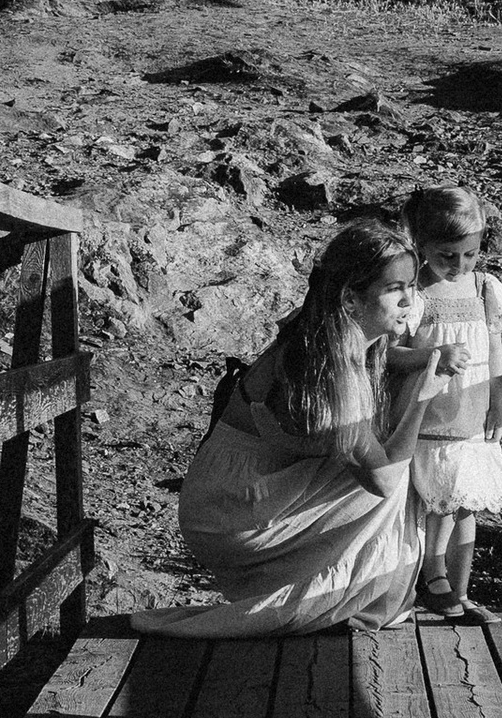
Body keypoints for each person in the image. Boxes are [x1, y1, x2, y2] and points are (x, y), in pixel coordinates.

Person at [159, 216, 460, 634]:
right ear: (351, 300)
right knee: (394, 476)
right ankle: (351, 595)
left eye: (411, 285)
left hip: (244, 492)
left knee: (387, 452)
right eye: (395, 289)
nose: (410, 300)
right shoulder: (331, 368)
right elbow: (385, 478)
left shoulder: (333, 334)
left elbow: (387, 358)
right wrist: (422, 398)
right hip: (234, 509)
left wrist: (429, 357)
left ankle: (355, 592)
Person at [397, 181, 502, 620]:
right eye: (447, 255)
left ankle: (459, 591)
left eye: (469, 254)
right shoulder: (415, 292)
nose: (459, 265)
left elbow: (494, 351)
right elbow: (390, 353)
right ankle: (432, 576)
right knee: (439, 500)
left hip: (471, 414)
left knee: (465, 500)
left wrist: (498, 403)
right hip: (430, 414)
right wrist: (432, 356)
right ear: (422, 245)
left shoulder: (485, 287)